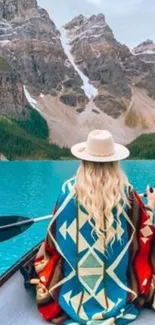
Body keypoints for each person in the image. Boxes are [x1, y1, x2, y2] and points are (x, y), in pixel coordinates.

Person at [29, 130, 155, 324]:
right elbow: (144, 236)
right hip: (119, 296)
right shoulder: (128, 195)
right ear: (115, 163)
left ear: (84, 161)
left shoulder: (67, 192)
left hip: (73, 296)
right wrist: (151, 207)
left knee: (43, 261)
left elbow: (52, 244)